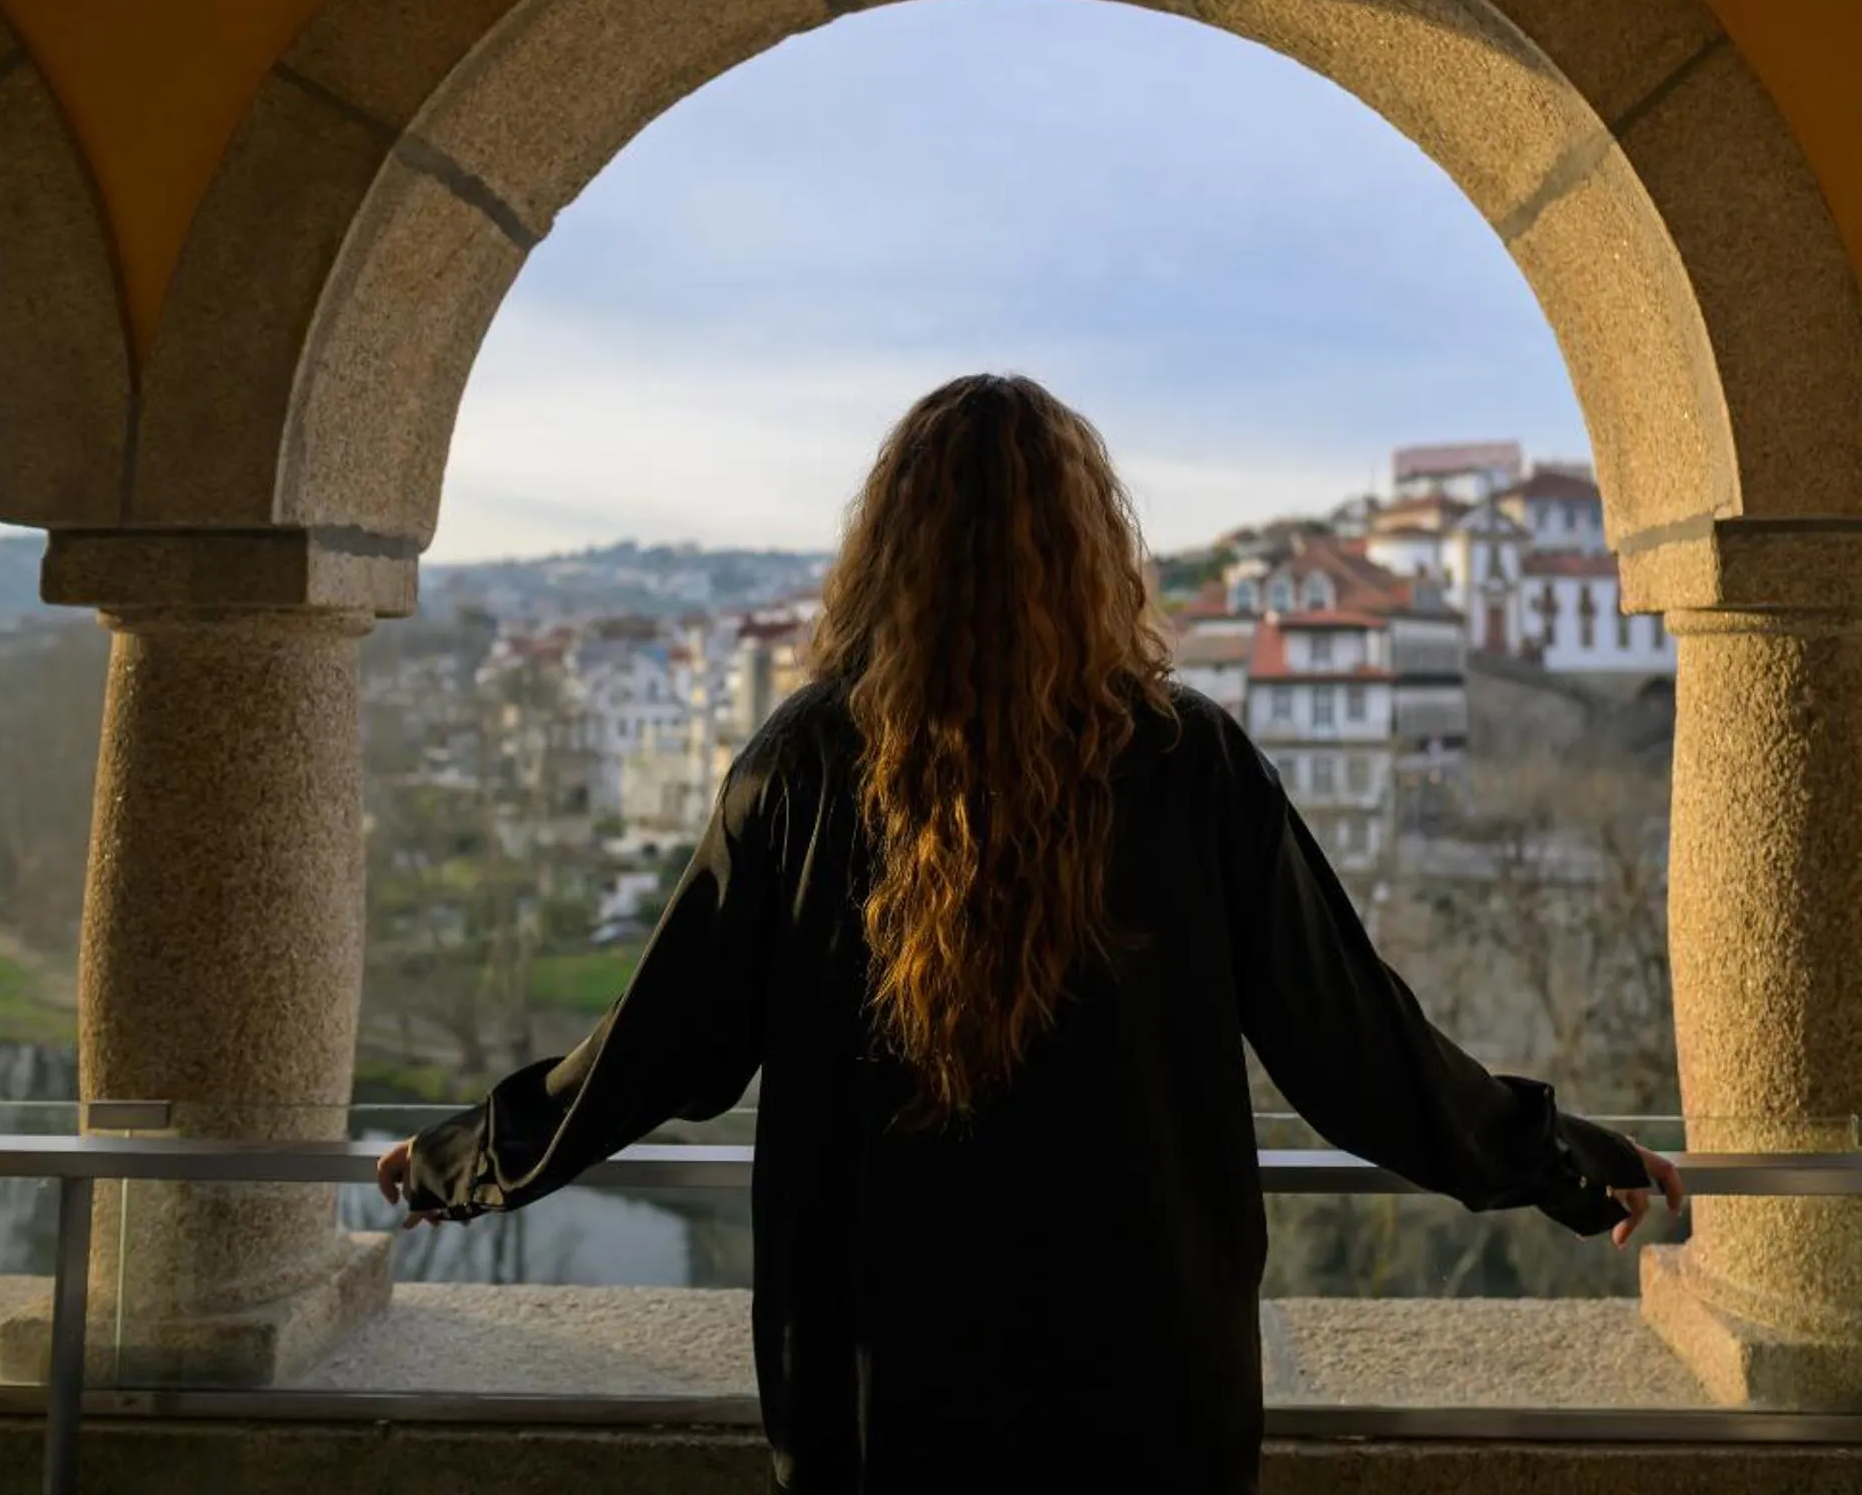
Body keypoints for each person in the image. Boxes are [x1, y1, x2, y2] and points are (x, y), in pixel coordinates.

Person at [377, 374, 1680, 1492]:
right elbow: (1352, 1045)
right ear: (1088, 550)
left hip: (883, 1393)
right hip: (1146, 1384)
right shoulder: (1186, 763)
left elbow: (662, 1045)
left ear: (891, 551)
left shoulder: (807, 770)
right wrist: (1559, 1160)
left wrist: (463, 1162)